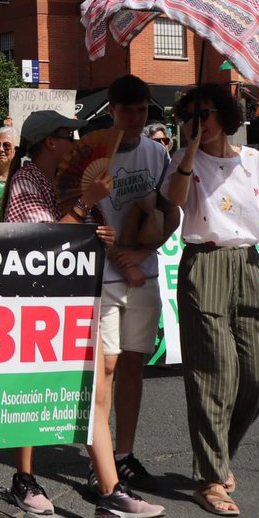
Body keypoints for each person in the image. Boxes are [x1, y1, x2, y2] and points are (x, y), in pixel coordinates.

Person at [1, 110, 163, 518]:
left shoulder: (65, 184)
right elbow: (43, 243)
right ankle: (24, 477)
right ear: (49, 142)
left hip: (76, 299)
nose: (76, 142)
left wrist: (103, 235)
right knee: (33, 387)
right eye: (68, 135)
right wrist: (86, 206)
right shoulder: (26, 181)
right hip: (38, 303)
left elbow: (85, 230)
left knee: (90, 387)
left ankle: (110, 489)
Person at [164, 83, 259, 517]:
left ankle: (219, 453)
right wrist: (188, 149)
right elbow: (173, 201)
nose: (197, 124)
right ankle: (209, 479)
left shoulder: (253, 160)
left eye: (204, 114)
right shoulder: (184, 161)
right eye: (189, 117)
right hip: (204, 264)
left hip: (248, 264)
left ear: (226, 115)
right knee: (215, 375)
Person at [89, 76, 180, 493]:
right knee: (104, 368)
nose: (136, 118)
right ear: (112, 110)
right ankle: (100, 458)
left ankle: (123, 454)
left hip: (143, 272)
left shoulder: (156, 153)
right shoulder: (92, 151)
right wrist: (118, 258)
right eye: (128, 110)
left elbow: (170, 213)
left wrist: (142, 254)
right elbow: (79, 212)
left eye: (142, 110)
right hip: (103, 275)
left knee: (133, 366)